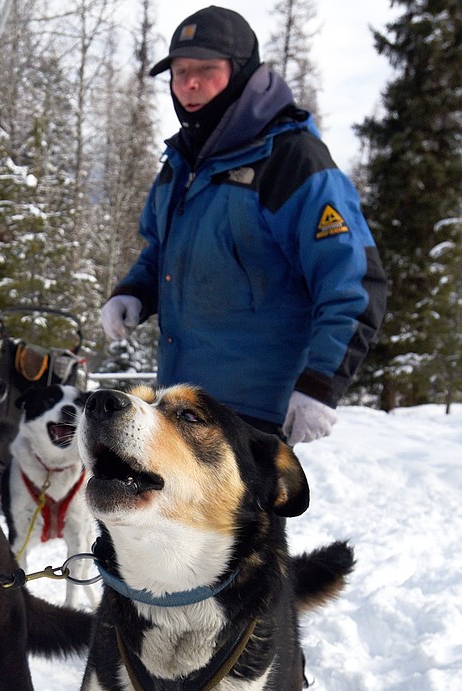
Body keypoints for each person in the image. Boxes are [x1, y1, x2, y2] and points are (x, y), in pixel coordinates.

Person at [100, 6, 387, 443]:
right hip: (178, 407)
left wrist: (320, 384)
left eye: (206, 70)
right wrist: (135, 291)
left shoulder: (292, 161)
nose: (189, 84)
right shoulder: (182, 162)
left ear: (242, 74)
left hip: (252, 418)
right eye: (179, 72)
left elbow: (353, 282)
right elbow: (162, 249)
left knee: (240, 516)